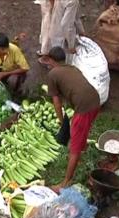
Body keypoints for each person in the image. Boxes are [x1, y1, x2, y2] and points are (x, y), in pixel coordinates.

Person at [46, 47, 101, 192]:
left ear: (50, 60)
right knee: (81, 131)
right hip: (95, 100)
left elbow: (56, 102)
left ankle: (66, 182)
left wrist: (61, 120)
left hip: (84, 108)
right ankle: (82, 148)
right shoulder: (72, 68)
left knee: (73, 147)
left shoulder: (52, 73)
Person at [39, 0, 85, 65]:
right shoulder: (73, 2)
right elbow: (67, 24)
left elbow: (75, 16)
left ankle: (45, 54)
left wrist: (81, 30)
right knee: (60, 60)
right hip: (60, 34)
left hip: (53, 27)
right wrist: (71, 45)